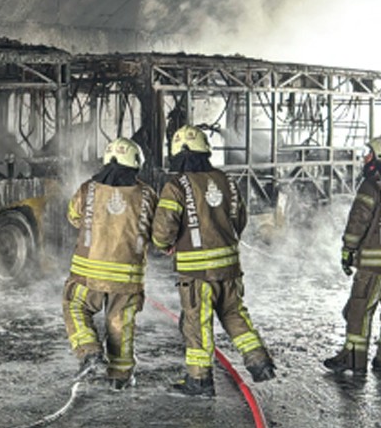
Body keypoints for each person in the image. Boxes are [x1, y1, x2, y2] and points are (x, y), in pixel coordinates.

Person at [151, 125, 276, 396]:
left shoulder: (176, 186)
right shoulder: (226, 180)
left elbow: (162, 230)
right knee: (234, 314)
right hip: (230, 267)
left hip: (198, 273)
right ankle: (260, 363)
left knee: (197, 323)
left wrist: (165, 245)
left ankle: (199, 380)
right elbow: (240, 220)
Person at [63, 137, 157, 390]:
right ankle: (120, 377)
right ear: (135, 163)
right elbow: (157, 231)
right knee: (120, 323)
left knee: (75, 306)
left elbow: (73, 217)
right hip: (128, 276)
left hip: (88, 273)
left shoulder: (88, 189)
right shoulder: (147, 194)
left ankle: (90, 352)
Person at [323, 136, 381, 377]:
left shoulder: (372, 185)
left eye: (370, 154)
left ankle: (353, 359)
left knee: (358, 310)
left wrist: (348, 250)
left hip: (376, 265)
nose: (365, 158)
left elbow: (358, 221)